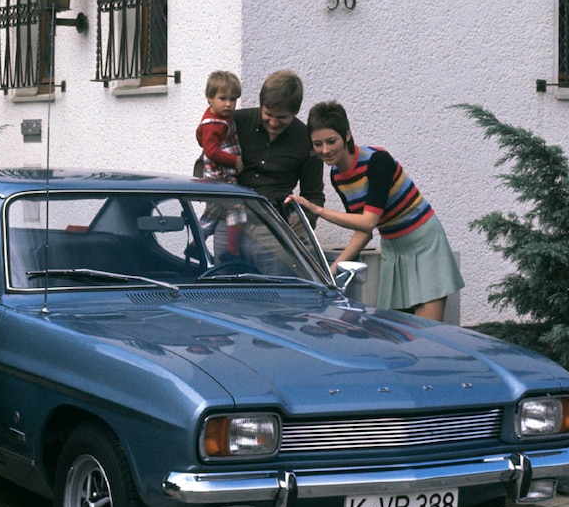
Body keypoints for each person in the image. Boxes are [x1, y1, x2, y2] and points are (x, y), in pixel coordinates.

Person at [285, 102, 463, 321]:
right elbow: (363, 230)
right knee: (396, 330)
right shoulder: (337, 176)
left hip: (424, 243)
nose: (325, 150)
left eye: (331, 141)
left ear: (347, 135)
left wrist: (317, 210)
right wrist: (331, 271)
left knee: (428, 331)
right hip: (393, 248)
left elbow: (368, 222)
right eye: (317, 144)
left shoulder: (378, 161)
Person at [232, 70, 325, 217]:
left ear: (295, 112)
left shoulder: (306, 140)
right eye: (268, 114)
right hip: (230, 214)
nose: (274, 123)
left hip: (275, 222)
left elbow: (314, 196)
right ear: (261, 105)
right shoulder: (235, 123)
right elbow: (204, 164)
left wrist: (301, 225)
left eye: (282, 117)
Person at [196, 70, 246, 258]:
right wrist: (235, 160)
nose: (228, 104)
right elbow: (211, 151)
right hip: (219, 174)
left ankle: (195, 244)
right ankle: (232, 250)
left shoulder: (222, 118)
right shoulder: (213, 124)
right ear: (209, 98)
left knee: (213, 212)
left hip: (222, 172)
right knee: (236, 207)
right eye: (222, 98)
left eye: (233, 99)